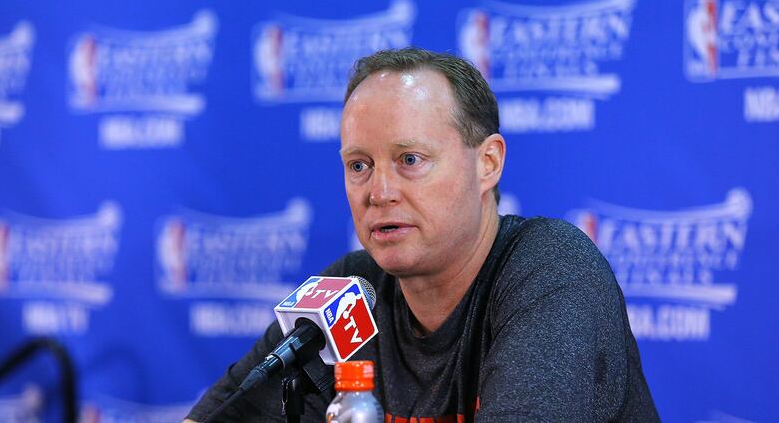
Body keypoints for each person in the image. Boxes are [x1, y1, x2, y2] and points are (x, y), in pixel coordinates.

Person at [185, 48, 660, 422]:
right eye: (359, 166)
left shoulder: (552, 271)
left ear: (487, 163)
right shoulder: (350, 293)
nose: (379, 191)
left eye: (410, 160)